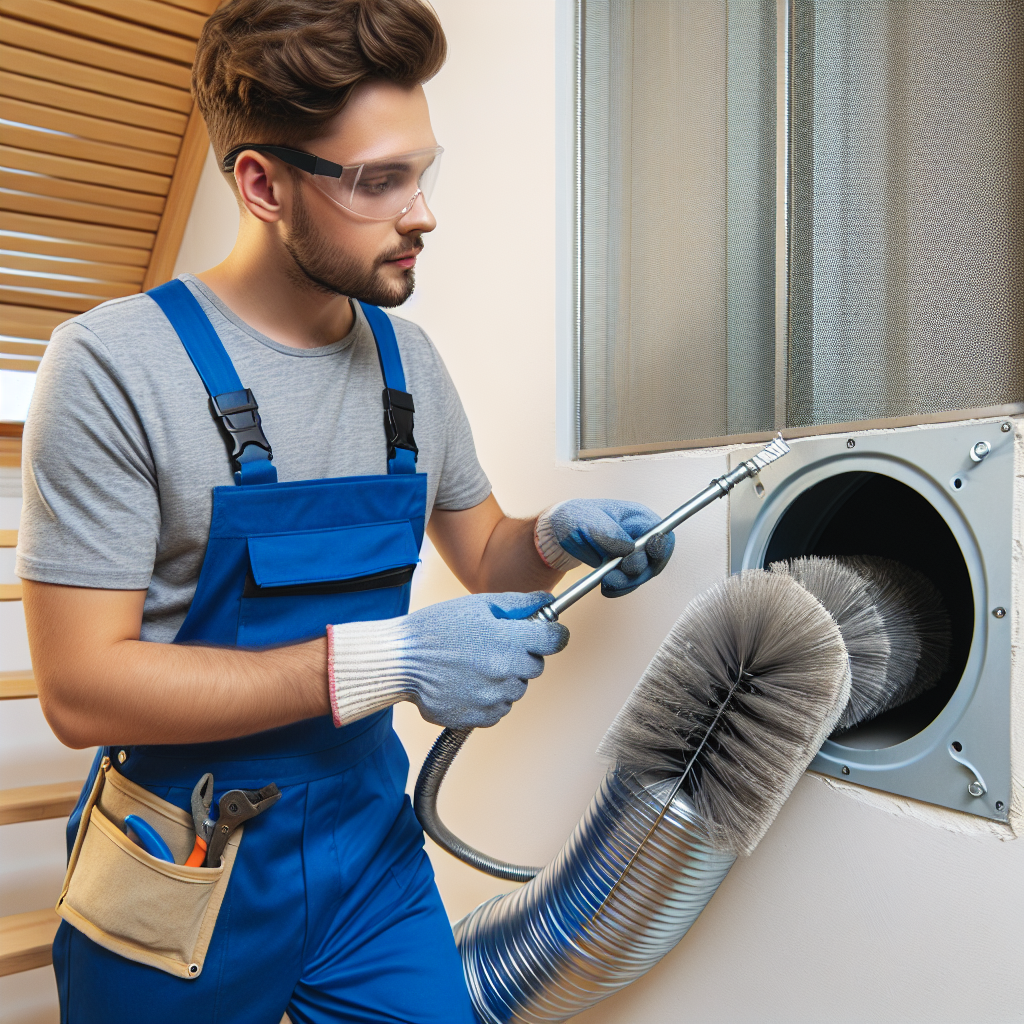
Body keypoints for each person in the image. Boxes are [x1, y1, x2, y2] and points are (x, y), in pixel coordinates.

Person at [18, 1, 675, 1021]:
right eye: (378, 181)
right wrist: (394, 660)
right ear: (261, 183)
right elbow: (82, 690)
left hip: (367, 857)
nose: (421, 213)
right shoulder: (113, 365)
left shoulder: (406, 363)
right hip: (178, 865)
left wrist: (548, 538)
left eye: (421, 170)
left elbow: (486, 554)